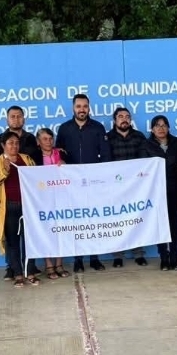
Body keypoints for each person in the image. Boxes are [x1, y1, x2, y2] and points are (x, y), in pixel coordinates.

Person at [55, 93, 110, 272]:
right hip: (72, 184)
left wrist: (102, 178)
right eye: (78, 106)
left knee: (94, 219)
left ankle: (94, 258)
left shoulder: (98, 127)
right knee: (77, 221)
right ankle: (78, 259)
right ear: (73, 108)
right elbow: (58, 153)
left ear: (89, 107)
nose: (82, 109)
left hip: (94, 183)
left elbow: (106, 154)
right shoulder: (64, 129)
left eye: (85, 106)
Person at [0, 132, 37, 287]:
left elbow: (36, 179)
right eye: (10, 143)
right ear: (3, 145)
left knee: (29, 241)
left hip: (28, 207)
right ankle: (18, 274)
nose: (14, 146)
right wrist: (4, 171)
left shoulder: (27, 159)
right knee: (12, 242)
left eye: (16, 142)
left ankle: (30, 272)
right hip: (8, 206)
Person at [106, 107, 151, 267]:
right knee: (117, 220)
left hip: (136, 186)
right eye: (120, 116)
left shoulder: (139, 137)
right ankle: (118, 255)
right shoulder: (108, 138)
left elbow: (146, 161)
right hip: (115, 187)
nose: (124, 119)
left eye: (127, 116)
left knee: (136, 219)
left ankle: (138, 254)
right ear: (115, 120)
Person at [146, 115, 177, 271]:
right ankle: (163, 258)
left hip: (175, 190)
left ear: (168, 127)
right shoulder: (146, 145)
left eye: (164, 125)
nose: (161, 128)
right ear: (152, 129)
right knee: (160, 225)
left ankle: (174, 258)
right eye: (157, 125)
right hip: (156, 192)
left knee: (174, 225)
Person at [33, 128, 70, 279]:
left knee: (61, 230)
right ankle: (49, 264)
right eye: (44, 139)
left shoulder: (62, 154)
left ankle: (59, 264)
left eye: (50, 138)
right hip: (42, 200)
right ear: (38, 141)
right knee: (45, 231)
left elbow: (73, 174)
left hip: (61, 198)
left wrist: (65, 165)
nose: (48, 142)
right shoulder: (33, 157)